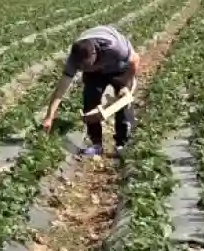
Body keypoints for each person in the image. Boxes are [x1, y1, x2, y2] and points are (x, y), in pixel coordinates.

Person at [42, 25, 140, 156]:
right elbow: (61, 88)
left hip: (119, 68)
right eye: (81, 68)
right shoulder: (75, 59)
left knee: (123, 102)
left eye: (87, 66)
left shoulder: (115, 48)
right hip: (96, 73)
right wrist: (49, 116)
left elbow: (135, 60)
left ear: (95, 55)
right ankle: (96, 144)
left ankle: (122, 143)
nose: (84, 69)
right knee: (90, 100)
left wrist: (126, 85)